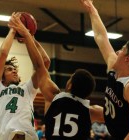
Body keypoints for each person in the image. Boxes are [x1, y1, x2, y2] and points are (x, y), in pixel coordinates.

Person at [9, 12, 96, 140]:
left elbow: (40, 66)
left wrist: (28, 36)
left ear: (70, 85)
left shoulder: (54, 97)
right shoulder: (91, 111)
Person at [80, 0, 129, 139]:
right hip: (116, 128)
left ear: (127, 58)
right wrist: (92, 9)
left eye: (122, 50)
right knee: (88, 110)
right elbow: (101, 37)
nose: (117, 52)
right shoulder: (114, 68)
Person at [0, 12, 50, 140]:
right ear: (1, 76)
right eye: (9, 69)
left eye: (15, 69)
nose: (14, 71)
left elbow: (45, 62)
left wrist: (30, 37)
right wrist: (13, 30)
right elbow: (3, 53)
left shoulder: (27, 89)